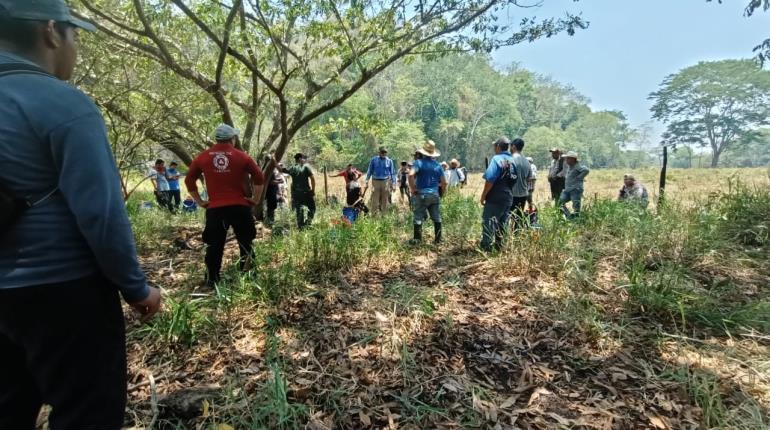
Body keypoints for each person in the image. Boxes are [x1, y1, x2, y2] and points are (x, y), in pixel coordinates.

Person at [0, 2, 161, 428]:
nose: (77, 47)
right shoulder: (64, 105)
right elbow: (102, 217)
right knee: (88, 414)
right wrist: (137, 288)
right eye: (76, 35)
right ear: (51, 32)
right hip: (65, 293)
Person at [185, 124, 265, 288]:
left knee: (214, 245)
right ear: (232, 139)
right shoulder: (242, 156)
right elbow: (259, 177)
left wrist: (200, 201)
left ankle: (212, 279)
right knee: (245, 242)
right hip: (240, 207)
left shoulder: (203, 157)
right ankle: (248, 276)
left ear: (217, 139)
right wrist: (255, 199)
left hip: (215, 209)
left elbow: (189, 180)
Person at [479, 138, 517, 251]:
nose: (494, 148)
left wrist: (483, 195)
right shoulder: (512, 160)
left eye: (495, 146)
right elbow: (515, 179)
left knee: (489, 223)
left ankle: (486, 248)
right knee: (502, 223)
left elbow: (490, 179)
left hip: (495, 197)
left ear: (498, 147)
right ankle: (500, 247)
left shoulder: (496, 159)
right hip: (508, 197)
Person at [408, 140, 447, 244]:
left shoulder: (418, 163)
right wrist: (441, 193)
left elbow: (411, 175)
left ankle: (417, 240)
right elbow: (444, 182)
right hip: (434, 195)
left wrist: (413, 189)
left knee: (418, 217)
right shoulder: (438, 165)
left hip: (421, 195)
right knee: (436, 217)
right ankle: (438, 240)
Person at [283, 153, 316, 229]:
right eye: (303, 158)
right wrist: (313, 190)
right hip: (306, 192)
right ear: (300, 159)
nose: (304, 160)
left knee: (299, 209)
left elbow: (284, 171)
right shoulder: (305, 167)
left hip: (296, 193)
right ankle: (307, 224)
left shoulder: (292, 168)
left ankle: (301, 227)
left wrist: (274, 163)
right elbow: (312, 179)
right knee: (312, 208)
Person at [365, 146, 396, 214]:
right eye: (382, 152)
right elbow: (369, 170)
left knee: (384, 200)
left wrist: (394, 184)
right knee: (375, 200)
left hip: (385, 181)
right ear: (379, 153)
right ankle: (374, 215)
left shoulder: (389, 161)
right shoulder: (373, 160)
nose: (384, 154)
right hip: (375, 181)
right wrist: (367, 180)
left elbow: (392, 173)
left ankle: (384, 216)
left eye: (385, 152)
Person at [509, 138, 532, 230]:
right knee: (519, 218)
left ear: (513, 146)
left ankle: (504, 239)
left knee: (505, 217)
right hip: (523, 195)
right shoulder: (527, 161)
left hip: (511, 194)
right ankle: (517, 237)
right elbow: (529, 178)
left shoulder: (510, 159)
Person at [559, 151, 590, 219]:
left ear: (573, 159)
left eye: (567, 158)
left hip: (575, 189)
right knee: (560, 202)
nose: (566, 160)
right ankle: (569, 217)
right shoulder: (570, 167)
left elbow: (586, 170)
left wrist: (580, 177)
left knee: (576, 206)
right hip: (567, 190)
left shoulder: (577, 167)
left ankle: (576, 220)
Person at [265, 161, 285, 226]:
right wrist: (279, 182)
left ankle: (271, 221)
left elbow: (273, 179)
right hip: (270, 193)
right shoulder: (268, 170)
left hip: (273, 192)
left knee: (272, 207)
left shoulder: (271, 170)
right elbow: (270, 182)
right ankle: (270, 222)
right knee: (270, 208)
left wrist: (278, 180)